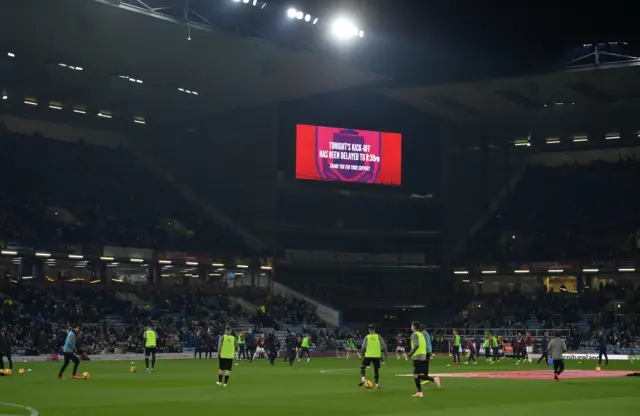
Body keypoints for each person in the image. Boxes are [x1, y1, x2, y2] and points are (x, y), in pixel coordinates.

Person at [408, 321, 440, 398]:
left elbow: (416, 345)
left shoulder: (414, 335)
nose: (411, 327)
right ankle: (420, 391)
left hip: (417, 356)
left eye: (412, 326)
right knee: (417, 374)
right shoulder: (421, 334)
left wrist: (410, 353)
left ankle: (433, 380)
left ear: (414, 327)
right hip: (423, 356)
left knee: (415, 375)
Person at [358, 325, 387, 389]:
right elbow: (384, 345)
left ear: (369, 330)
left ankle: (363, 378)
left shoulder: (367, 337)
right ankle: (376, 384)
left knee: (363, 366)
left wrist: (362, 354)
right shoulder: (378, 336)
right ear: (374, 329)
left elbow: (363, 347)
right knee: (376, 370)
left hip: (368, 355)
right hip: (377, 356)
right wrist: (385, 352)